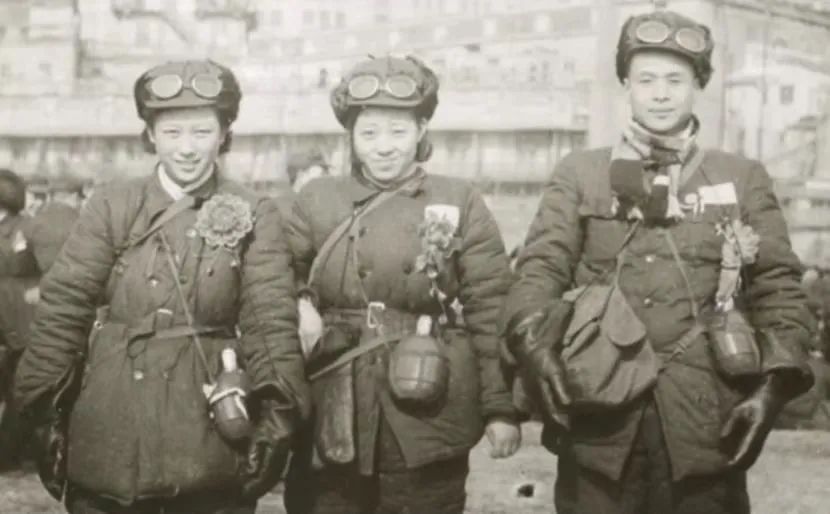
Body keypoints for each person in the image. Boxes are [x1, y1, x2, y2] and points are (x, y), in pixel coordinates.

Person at [502, 10, 814, 514]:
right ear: (626, 85)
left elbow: (778, 287)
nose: (660, 94)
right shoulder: (581, 173)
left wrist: (774, 386)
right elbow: (540, 269)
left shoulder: (741, 177)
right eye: (646, 80)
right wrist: (534, 344)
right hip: (600, 414)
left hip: (706, 421)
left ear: (699, 86)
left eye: (675, 80)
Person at [14, 59, 310, 514]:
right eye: (172, 133)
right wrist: (41, 410)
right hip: (111, 416)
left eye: (201, 132)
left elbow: (269, 322)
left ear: (224, 133)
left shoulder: (254, 211)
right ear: (151, 135)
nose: (186, 149)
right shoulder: (113, 205)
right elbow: (64, 309)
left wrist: (277, 415)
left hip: (207, 420)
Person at [284, 55, 520, 514]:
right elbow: (275, 273)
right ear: (351, 137)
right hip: (333, 398)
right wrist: (300, 301)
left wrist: (500, 408)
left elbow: (491, 306)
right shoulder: (317, 199)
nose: (384, 147)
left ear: (421, 129)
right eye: (369, 133)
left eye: (398, 131)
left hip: (429, 401)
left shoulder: (458, 198)